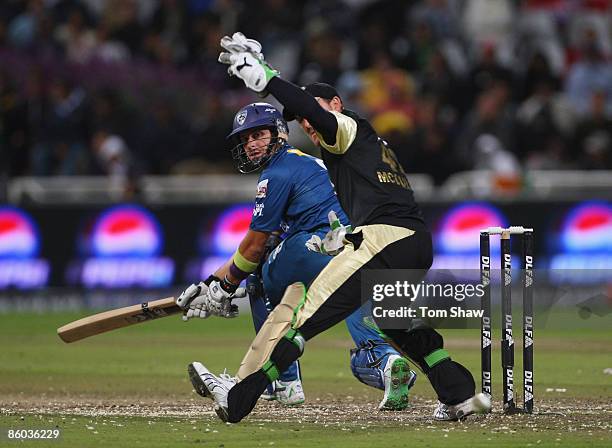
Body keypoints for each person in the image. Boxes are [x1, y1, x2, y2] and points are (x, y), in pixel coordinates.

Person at [176, 33, 490, 423]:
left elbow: (316, 115)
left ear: (337, 104)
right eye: (301, 119)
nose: (307, 122)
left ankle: (239, 398)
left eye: (312, 112)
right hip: (412, 241)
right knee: (399, 324)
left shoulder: (347, 129)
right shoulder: (368, 145)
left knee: (303, 323)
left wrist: (268, 78)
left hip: (383, 241)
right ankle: (460, 394)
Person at [176, 101, 417, 411]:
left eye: (258, 135)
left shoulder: (277, 172)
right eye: (245, 139)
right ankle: (387, 363)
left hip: (319, 244)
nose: (251, 144)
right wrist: (212, 283)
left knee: (259, 278)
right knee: (353, 302)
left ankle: (283, 383)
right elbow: (261, 243)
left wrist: (220, 288)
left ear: (279, 133)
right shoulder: (306, 162)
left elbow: (254, 247)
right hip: (362, 245)